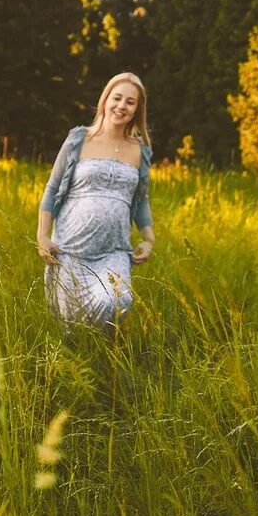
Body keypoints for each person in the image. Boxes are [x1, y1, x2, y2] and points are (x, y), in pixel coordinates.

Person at [37, 72, 156, 329]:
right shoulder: (79, 140)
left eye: (130, 102)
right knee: (70, 326)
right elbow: (52, 188)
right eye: (117, 98)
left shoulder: (140, 150)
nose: (121, 106)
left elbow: (141, 199)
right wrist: (43, 236)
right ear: (105, 100)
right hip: (70, 250)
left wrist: (148, 238)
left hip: (114, 252)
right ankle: (90, 364)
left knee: (117, 300)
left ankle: (109, 356)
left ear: (137, 110)